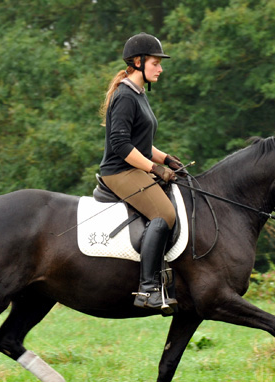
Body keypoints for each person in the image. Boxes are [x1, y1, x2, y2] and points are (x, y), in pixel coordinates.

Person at [99, 32, 184, 314]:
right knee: (165, 214)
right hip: (120, 171)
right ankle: (148, 288)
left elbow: (142, 142)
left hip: (134, 166)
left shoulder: (139, 94)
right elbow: (121, 146)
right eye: (156, 63)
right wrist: (154, 168)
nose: (160, 68)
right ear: (138, 61)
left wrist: (167, 159)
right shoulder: (124, 95)